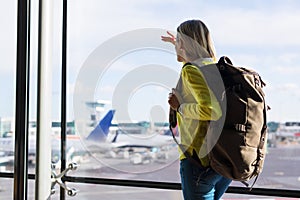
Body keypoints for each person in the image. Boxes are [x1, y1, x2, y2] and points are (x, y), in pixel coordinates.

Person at [162, 19, 232, 200]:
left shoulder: (191, 71)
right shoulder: (213, 67)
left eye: (179, 41)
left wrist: (180, 107)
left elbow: (212, 110)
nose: (176, 45)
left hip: (198, 160)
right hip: (223, 159)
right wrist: (175, 43)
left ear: (185, 44)